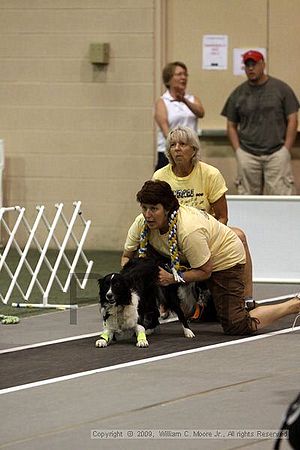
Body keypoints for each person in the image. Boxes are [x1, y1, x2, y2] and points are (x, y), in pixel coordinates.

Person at [121, 179, 300, 336]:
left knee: (236, 325)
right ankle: (150, 315)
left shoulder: (188, 230)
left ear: (167, 209)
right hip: (188, 260)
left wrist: (172, 278)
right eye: (144, 208)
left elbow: (206, 271)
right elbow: (127, 257)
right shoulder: (142, 224)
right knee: (141, 262)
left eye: (154, 209)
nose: (147, 215)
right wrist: (129, 286)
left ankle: (294, 305)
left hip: (224, 260)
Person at [153, 125, 253, 301]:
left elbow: (222, 216)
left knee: (240, 236)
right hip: (170, 239)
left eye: (183, 144)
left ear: (193, 149)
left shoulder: (210, 174)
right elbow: (153, 212)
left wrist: (206, 241)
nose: (177, 148)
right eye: (173, 145)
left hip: (203, 236)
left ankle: (247, 298)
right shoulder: (160, 177)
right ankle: (158, 304)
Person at [221, 49, 300, 195]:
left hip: (277, 153)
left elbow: (293, 120)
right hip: (247, 154)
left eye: (254, 64)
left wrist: (286, 149)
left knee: (281, 198)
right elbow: (231, 125)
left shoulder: (281, 89)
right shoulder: (238, 93)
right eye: (247, 65)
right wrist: (238, 151)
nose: (251, 68)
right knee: (247, 200)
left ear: (263, 65)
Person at [154, 61, 205, 170]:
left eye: (185, 75)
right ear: (169, 79)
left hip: (191, 152)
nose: (183, 78)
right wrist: (178, 147)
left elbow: (201, 113)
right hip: (169, 152)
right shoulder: (162, 102)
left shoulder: (192, 99)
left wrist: (185, 101)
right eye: (179, 74)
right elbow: (165, 130)